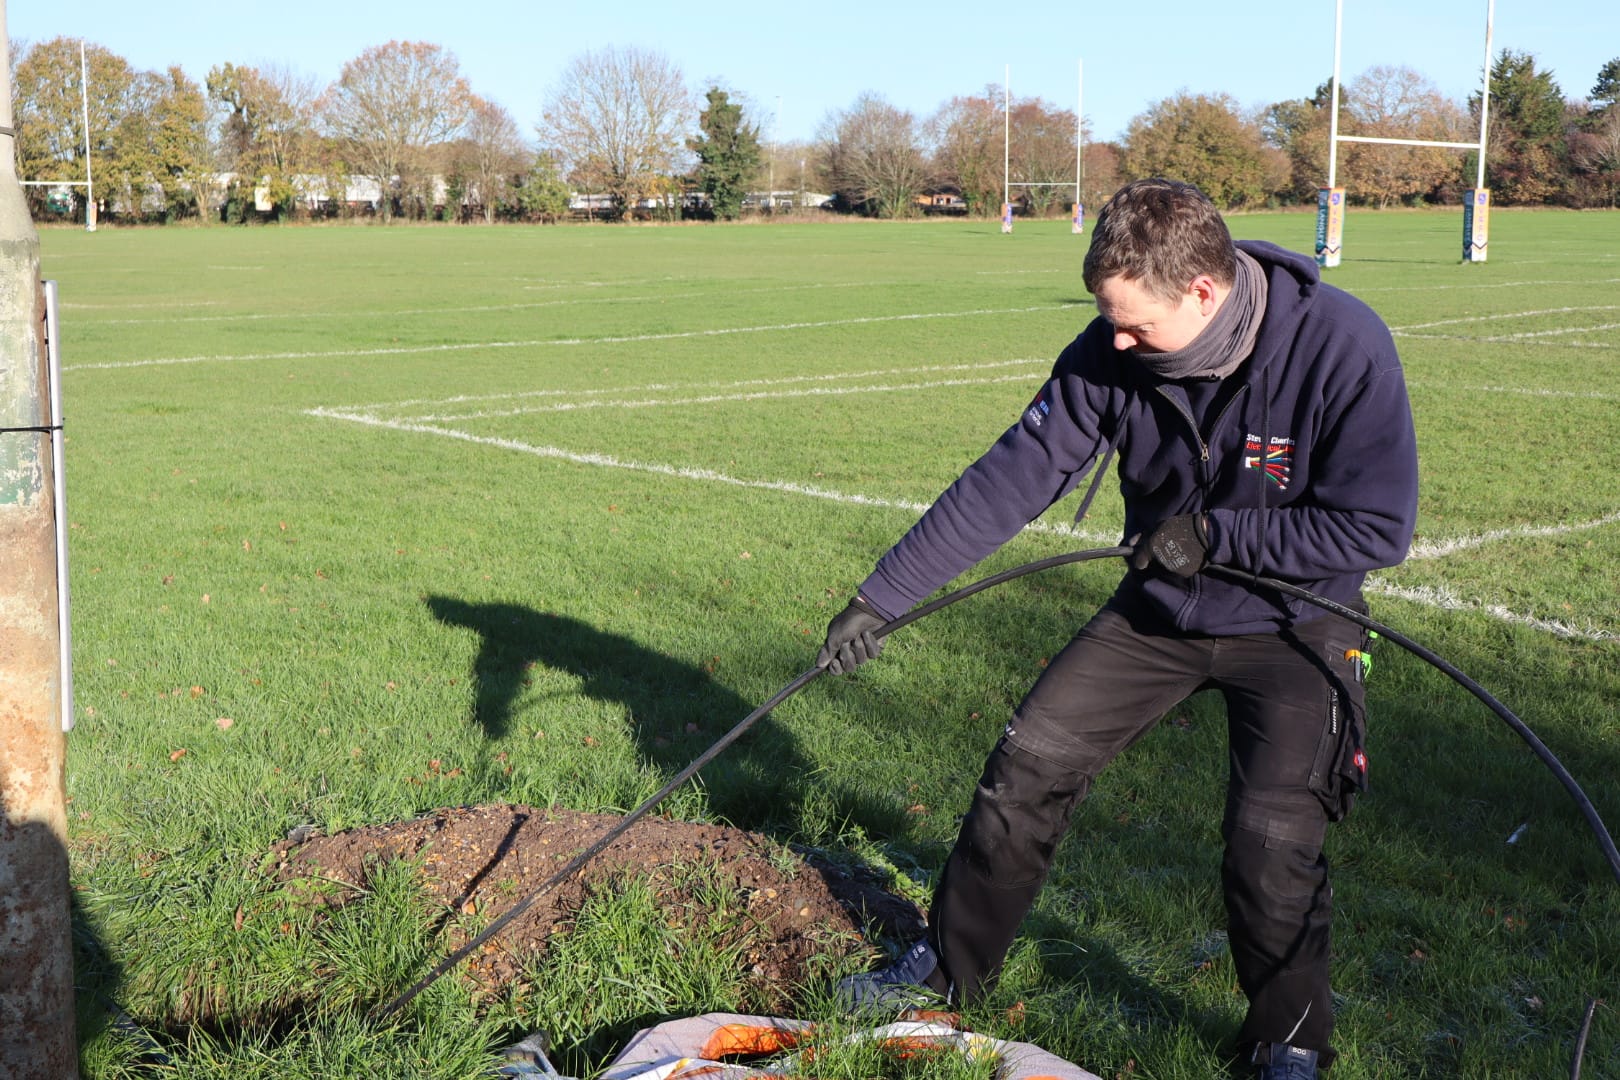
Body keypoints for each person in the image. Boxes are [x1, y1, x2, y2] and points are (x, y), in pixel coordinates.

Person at [817, 178, 1418, 1080]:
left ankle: (1286, 1041)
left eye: (1136, 325)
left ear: (1204, 293)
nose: (1119, 341)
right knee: (1027, 766)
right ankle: (948, 969)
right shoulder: (1107, 352)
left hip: (1300, 620)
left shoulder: (1342, 345)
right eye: (1111, 322)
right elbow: (1009, 480)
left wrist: (1215, 535)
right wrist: (882, 597)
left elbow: (1377, 528)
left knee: (1270, 841)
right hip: (1159, 612)